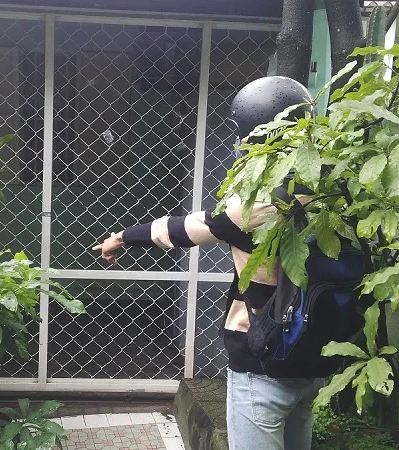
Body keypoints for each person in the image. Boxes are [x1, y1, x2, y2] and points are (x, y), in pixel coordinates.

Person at [92, 76, 321, 450]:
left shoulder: (259, 206)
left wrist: (121, 237)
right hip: (314, 356)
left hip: (263, 361)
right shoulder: (334, 193)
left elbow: (183, 228)